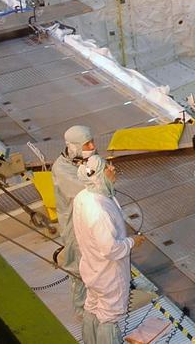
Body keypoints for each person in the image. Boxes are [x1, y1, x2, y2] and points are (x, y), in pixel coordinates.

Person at [74, 154, 145, 344]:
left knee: (92, 306)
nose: (113, 168)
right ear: (97, 175)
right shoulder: (99, 210)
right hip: (109, 274)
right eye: (107, 167)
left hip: (91, 267)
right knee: (109, 316)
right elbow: (110, 249)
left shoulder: (83, 197)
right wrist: (132, 242)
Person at [52, 126, 95, 320]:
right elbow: (85, 192)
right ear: (74, 146)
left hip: (91, 221)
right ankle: (81, 309)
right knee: (77, 267)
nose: (92, 146)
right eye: (87, 144)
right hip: (74, 226)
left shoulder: (86, 160)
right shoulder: (62, 169)